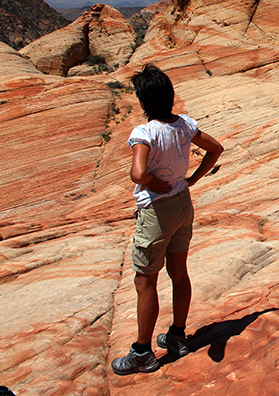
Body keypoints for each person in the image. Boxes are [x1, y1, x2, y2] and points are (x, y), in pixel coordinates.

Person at [111, 64, 223, 375]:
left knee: (145, 281)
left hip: (157, 213)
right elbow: (216, 149)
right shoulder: (185, 125)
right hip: (182, 204)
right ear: (171, 96)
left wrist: (148, 181)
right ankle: (177, 336)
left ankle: (143, 352)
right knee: (179, 272)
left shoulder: (144, 133)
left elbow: (137, 172)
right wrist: (192, 179)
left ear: (144, 102)